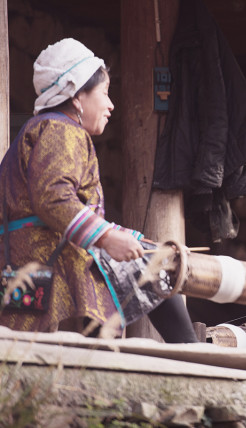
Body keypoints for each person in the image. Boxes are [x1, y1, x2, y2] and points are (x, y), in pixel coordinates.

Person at [0, 38, 197, 343]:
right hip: (48, 261)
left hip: (25, 261)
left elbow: (72, 207)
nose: (110, 105)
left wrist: (134, 239)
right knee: (157, 267)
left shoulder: (44, 128)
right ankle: (192, 354)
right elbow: (53, 198)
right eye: (105, 93)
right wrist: (105, 238)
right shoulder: (61, 130)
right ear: (77, 96)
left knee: (24, 359)